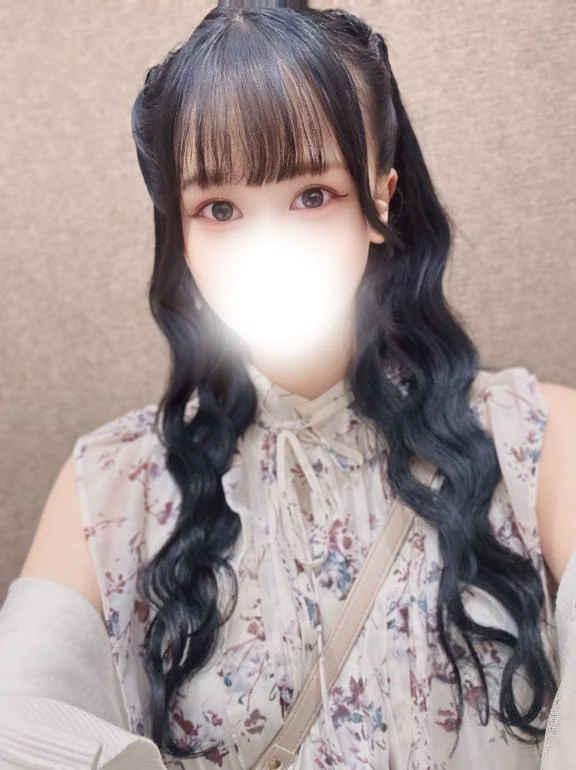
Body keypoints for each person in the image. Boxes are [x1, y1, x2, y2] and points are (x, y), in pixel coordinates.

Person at [0, 1, 575, 768]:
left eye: (311, 195)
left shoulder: (541, 441)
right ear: (179, 232)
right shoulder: (110, 487)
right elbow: (15, 730)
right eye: (220, 209)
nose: (267, 250)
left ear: (380, 198)